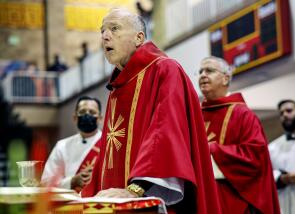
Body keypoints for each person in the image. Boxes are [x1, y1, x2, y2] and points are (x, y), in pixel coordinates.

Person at [81, 8, 221, 214]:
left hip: (149, 199)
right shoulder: (117, 87)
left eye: (114, 28)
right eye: (102, 31)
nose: (105, 36)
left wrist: (136, 190)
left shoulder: (165, 70)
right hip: (113, 202)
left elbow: (166, 133)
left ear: (139, 38)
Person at [198, 56, 280, 213]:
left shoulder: (243, 114)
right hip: (201, 197)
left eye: (209, 70)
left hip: (232, 199)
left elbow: (255, 156)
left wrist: (213, 150)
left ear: (225, 78)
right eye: (200, 71)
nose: (202, 75)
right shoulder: (195, 115)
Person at [41, 96, 102, 192]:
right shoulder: (62, 146)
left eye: (92, 112)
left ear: (100, 118)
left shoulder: (109, 144)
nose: (87, 115)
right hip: (71, 203)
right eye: (82, 112)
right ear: (75, 117)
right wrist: (72, 181)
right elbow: (46, 183)